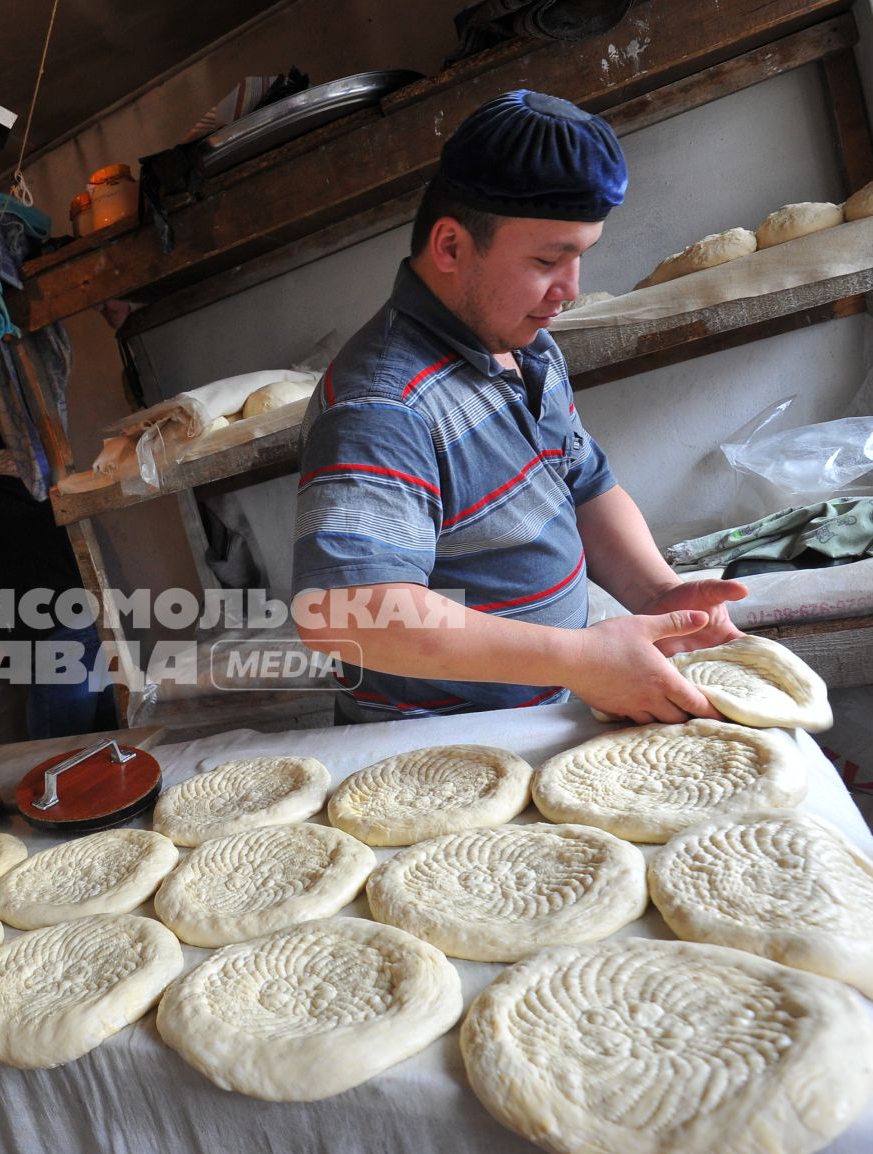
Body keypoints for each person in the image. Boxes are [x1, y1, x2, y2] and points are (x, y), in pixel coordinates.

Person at [293, 89, 747, 725]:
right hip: (432, 746)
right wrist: (577, 659)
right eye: (546, 261)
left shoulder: (528, 348)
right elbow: (348, 613)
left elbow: (584, 484)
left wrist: (658, 591)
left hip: (541, 710)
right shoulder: (384, 405)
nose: (571, 289)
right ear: (450, 247)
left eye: (580, 256)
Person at [0, 413, 115, 739]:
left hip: (47, 632)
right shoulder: (37, 475)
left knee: (56, 754)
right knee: (107, 741)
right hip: (90, 619)